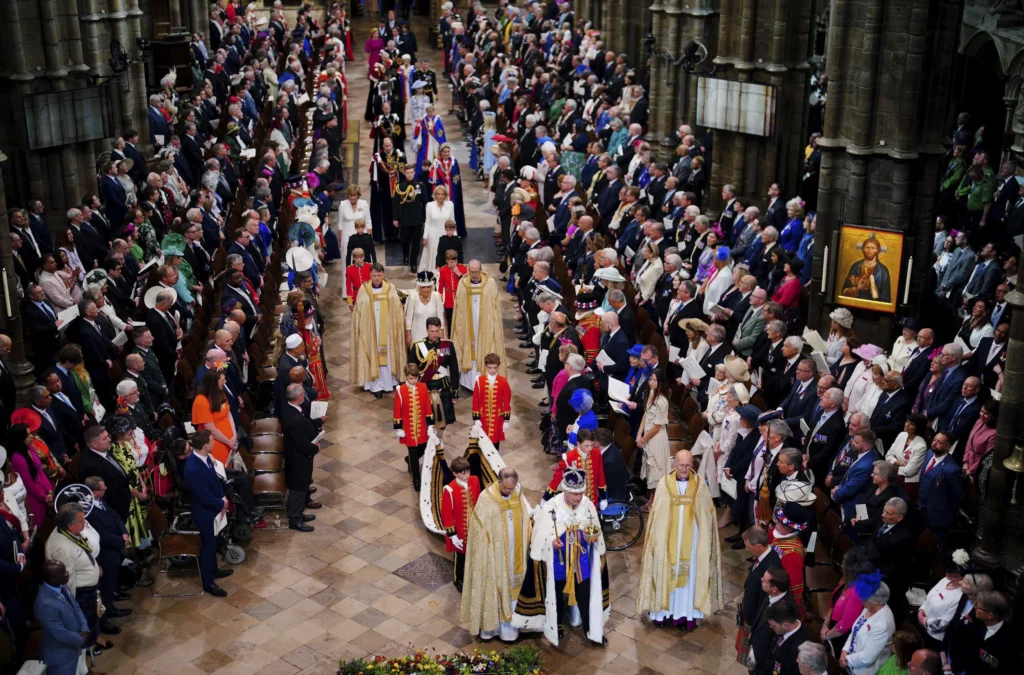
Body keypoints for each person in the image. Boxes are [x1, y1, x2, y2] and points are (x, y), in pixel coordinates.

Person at [514, 467, 609, 646]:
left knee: (585, 594)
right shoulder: (551, 507)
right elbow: (541, 535)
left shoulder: (587, 505)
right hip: (558, 561)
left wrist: (594, 537)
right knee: (555, 594)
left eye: (581, 493)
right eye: (575, 494)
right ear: (565, 490)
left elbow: (595, 528)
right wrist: (552, 542)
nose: (579, 498)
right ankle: (555, 626)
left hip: (581, 561)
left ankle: (591, 629)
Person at [636, 449, 723, 628]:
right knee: (665, 573)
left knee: (689, 578)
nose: (684, 469)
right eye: (681, 465)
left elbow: (707, 514)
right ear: (675, 464)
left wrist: (703, 539)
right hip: (668, 542)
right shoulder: (664, 483)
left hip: (691, 543)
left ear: (693, 465)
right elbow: (657, 514)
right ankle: (663, 613)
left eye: (688, 465)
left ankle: (686, 615)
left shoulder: (700, 485)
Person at [461, 466, 533, 642]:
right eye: (507, 488)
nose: (510, 491)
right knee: (495, 586)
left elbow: (524, 518)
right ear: (498, 482)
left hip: (516, 552)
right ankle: (492, 628)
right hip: (495, 555)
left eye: (512, 488)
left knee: (515, 587)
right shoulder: (486, 498)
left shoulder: (517, 491)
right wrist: (488, 549)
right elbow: (479, 530)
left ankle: (513, 627)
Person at [181, 429, 234, 596]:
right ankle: (208, 582)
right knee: (208, 547)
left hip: (215, 508)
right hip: (205, 513)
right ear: (205, 446)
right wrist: (221, 503)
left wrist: (222, 498)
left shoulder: (204, 458)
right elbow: (203, 495)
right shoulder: (193, 468)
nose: (214, 443)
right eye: (212, 441)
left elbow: (214, 482)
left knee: (214, 542)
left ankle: (213, 569)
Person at [45, 504, 100, 651]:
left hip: (87, 592)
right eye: (81, 521)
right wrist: (73, 610)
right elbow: (67, 582)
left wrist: (94, 565)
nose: (84, 523)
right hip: (80, 596)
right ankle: (83, 669)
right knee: (83, 633)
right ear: (70, 525)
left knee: (90, 628)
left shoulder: (69, 533)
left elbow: (82, 552)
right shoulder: (61, 548)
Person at [82, 476, 131, 629]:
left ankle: (112, 599)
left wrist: (124, 531)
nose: (106, 490)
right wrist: (120, 541)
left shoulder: (101, 500)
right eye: (103, 489)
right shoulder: (87, 510)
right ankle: (106, 613)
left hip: (115, 546)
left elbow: (114, 515)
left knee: (111, 582)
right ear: (95, 492)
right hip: (105, 552)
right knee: (105, 586)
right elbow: (101, 535)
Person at [350, 263, 406, 399]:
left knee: (387, 354)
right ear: (370, 275)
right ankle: (375, 385)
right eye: (374, 275)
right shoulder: (364, 290)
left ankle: (389, 382)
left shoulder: (390, 288)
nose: (376, 278)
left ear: (383, 275)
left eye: (379, 275)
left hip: (387, 331)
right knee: (372, 352)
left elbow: (397, 310)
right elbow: (359, 312)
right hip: (370, 330)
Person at [451, 260, 508, 390]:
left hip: (485, 325)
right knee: (469, 349)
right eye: (472, 272)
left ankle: (487, 379)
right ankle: (468, 382)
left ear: (481, 270)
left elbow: (495, 307)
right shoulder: (463, 284)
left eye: (477, 272)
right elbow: (458, 307)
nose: (475, 274)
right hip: (467, 325)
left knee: (486, 348)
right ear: (468, 271)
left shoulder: (490, 283)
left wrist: (494, 324)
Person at [34, 560, 89, 675]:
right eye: (63, 572)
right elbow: (59, 633)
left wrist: (84, 627)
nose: (67, 573)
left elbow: (76, 607)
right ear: (53, 577)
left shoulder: (63, 586)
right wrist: (80, 639)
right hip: (61, 655)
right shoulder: (44, 603)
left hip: (73, 646)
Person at [735, 525, 780, 664]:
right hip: (749, 614)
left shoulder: (771, 566)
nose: (746, 549)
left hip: (755, 620)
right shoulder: (761, 556)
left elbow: (766, 600)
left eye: (748, 546)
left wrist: (755, 624)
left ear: (758, 545)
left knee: (752, 659)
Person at [280, 384, 322, 532]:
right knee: (298, 488)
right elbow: (301, 443)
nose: (304, 396)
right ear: (299, 397)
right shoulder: (294, 418)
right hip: (298, 459)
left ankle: (299, 513)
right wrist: (315, 447)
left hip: (299, 457)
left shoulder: (290, 409)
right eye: (303, 394)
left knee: (303, 484)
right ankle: (294, 519)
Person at [441, 457, 480, 593]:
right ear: (455, 473)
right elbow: (446, 514)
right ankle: (459, 579)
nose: (467, 475)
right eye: (463, 473)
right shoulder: (449, 490)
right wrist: (453, 535)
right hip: (460, 531)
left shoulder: (475, 481)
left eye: (468, 472)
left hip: (474, 527)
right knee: (460, 557)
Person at [394, 364, 434, 491]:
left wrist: (431, 424)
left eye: (416, 378)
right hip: (409, 429)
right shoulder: (400, 390)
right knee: (413, 452)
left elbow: (428, 406)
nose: (414, 381)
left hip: (422, 427)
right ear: (406, 377)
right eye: (411, 378)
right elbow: (397, 410)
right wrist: (398, 428)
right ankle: (416, 478)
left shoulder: (423, 387)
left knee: (422, 448)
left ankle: (410, 460)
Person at [841, 581, 896, 675]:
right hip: (851, 660)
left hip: (863, 670)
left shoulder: (882, 625)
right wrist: (844, 650)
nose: (861, 600)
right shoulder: (869, 607)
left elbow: (867, 658)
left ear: (876, 601)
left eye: (864, 598)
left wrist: (846, 660)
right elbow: (855, 630)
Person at [755, 599, 810, 675]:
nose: (770, 627)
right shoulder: (782, 629)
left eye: (773, 625)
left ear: (785, 625)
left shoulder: (799, 650)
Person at [968, 590, 1018, 674]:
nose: (975, 608)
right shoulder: (978, 624)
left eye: (978, 607)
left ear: (990, 615)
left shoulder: (1008, 642)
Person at [471, 353, 512, 449]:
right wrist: (476, 419)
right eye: (490, 368)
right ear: (486, 366)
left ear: (498, 367)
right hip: (483, 417)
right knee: (482, 443)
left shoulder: (503, 381)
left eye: (495, 368)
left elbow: (506, 400)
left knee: (495, 444)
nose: (492, 370)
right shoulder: (479, 381)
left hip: (497, 418)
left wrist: (506, 420)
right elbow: (475, 400)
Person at [840, 235, 892, 303]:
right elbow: (844, 293)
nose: (870, 250)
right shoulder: (856, 267)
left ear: (877, 250)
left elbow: (887, 300)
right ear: (863, 249)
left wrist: (877, 295)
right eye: (867, 247)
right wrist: (857, 288)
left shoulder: (883, 271)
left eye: (873, 248)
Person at [405, 272, 446, 345]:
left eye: (428, 287)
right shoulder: (413, 297)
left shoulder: (436, 297)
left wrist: (442, 332)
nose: (426, 290)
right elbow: (408, 318)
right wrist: (408, 335)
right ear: (419, 287)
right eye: (423, 287)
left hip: (433, 334)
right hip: (417, 334)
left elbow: (440, 315)